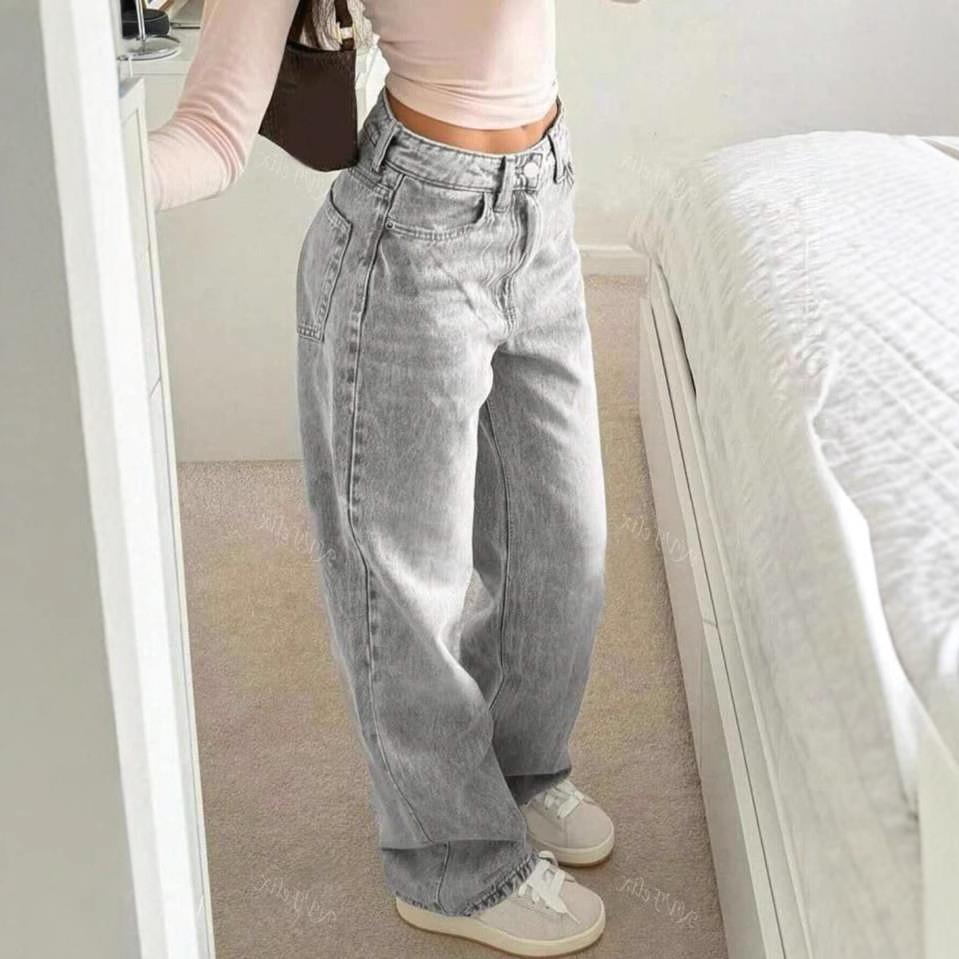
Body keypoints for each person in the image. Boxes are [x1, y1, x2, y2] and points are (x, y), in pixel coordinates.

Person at [150, 2, 613, 954]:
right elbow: (213, 133)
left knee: (563, 546)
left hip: (542, 207)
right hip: (412, 244)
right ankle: (449, 860)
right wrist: (62, 167)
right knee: (405, 585)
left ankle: (515, 775)